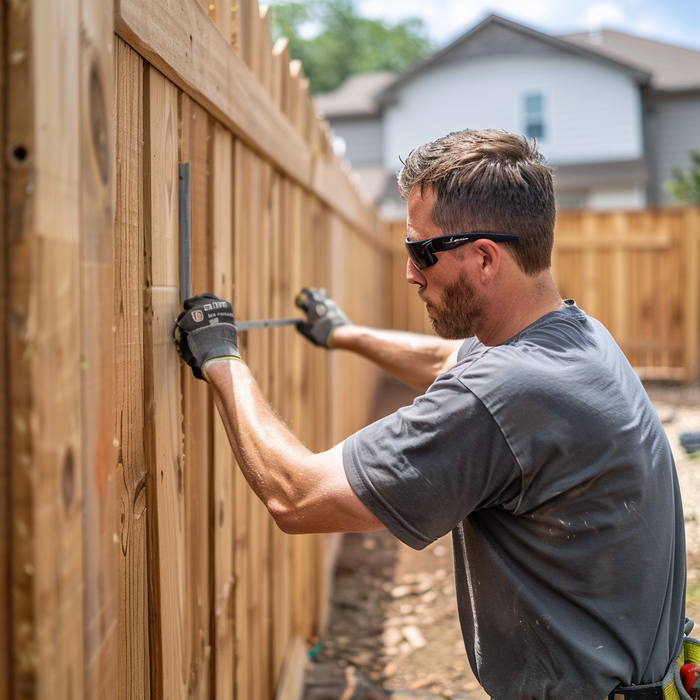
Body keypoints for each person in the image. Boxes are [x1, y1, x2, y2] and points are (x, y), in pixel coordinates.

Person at [175, 129, 686, 700]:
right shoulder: (577, 338)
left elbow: (298, 496)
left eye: (423, 252)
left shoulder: (505, 394)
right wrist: (344, 334)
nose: (412, 273)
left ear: (485, 257)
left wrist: (221, 359)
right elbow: (450, 359)